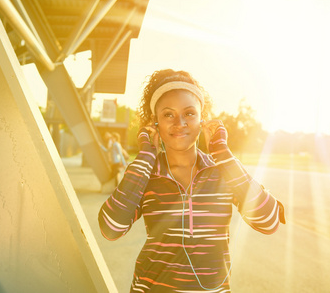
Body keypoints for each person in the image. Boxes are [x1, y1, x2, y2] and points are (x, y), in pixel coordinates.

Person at [98, 69, 285, 292]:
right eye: (168, 114)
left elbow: (269, 221)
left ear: (201, 119)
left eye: (189, 113)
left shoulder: (223, 170)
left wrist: (223, 153)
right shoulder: (145, 174)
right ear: (154, 123)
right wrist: (147, 155)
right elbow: (111, 228)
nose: (180, 123)